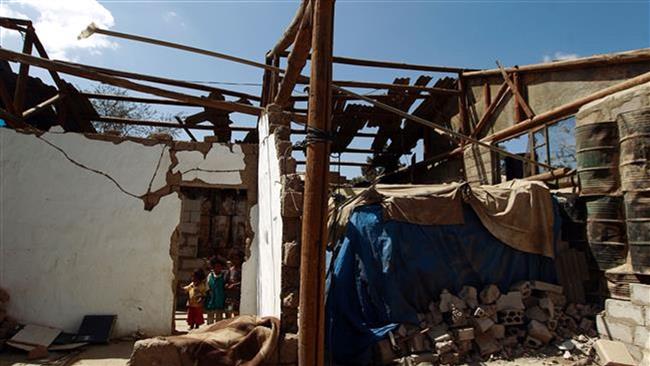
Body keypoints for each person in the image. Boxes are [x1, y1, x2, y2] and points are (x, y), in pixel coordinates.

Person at [205, 258, 226, 324]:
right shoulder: (210, 276)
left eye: (219, 266)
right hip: (211, 301)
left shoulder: (224, 276)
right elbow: (207, 287)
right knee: (210, 319)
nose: (218, 268)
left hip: (220, 301)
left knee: (219, 320)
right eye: (216, 266)